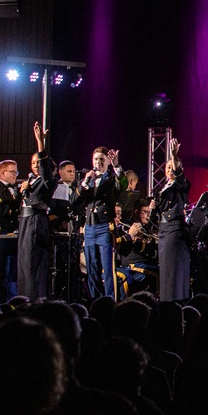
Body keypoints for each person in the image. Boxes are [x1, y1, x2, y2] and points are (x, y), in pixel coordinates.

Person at [72, 145, 128, 300]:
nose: (98, 162)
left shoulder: (111, 179)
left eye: (102, 160)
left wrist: (117, 165)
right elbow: (74, 201)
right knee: (92, 268)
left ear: (108, 162)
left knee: (108, 269)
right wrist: (84, 183)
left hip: (104, 227)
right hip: (89, 228)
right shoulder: (88, 180)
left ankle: (110, 302)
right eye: (96, 159)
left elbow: (123, 185)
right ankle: (95, 302)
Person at [18, 123, 59, 300]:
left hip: (35, 222)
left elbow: (46, 174)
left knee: (32, 265)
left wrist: (40, 144)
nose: (35, 165)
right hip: (25, 222)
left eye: (39, 163)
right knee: (24, 266)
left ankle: (34, 302)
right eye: (33, 163)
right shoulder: (31, 181)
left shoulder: (49, 180)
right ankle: (24, 300)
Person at [153, 138, 192, 301]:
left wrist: (174, 156)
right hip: (163, 231)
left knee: (173, 273)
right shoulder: (163, 187)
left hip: (174, 230)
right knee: (166, 272)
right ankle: (166, 302)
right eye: (168, 167)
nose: (170, 169)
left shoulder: (181, 185)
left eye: (173, 167)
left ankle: (173, 303)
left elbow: (180, 178)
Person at [0, 157, 21, 303]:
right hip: (1, 232)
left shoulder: (16, 190)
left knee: (13, 271)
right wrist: (16, 202)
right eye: (12, 172)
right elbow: (2, 211)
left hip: (14, 232)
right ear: (3, 173)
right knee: (0, 271)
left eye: (16, 172)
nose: (15, 175)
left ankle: (12, 302)